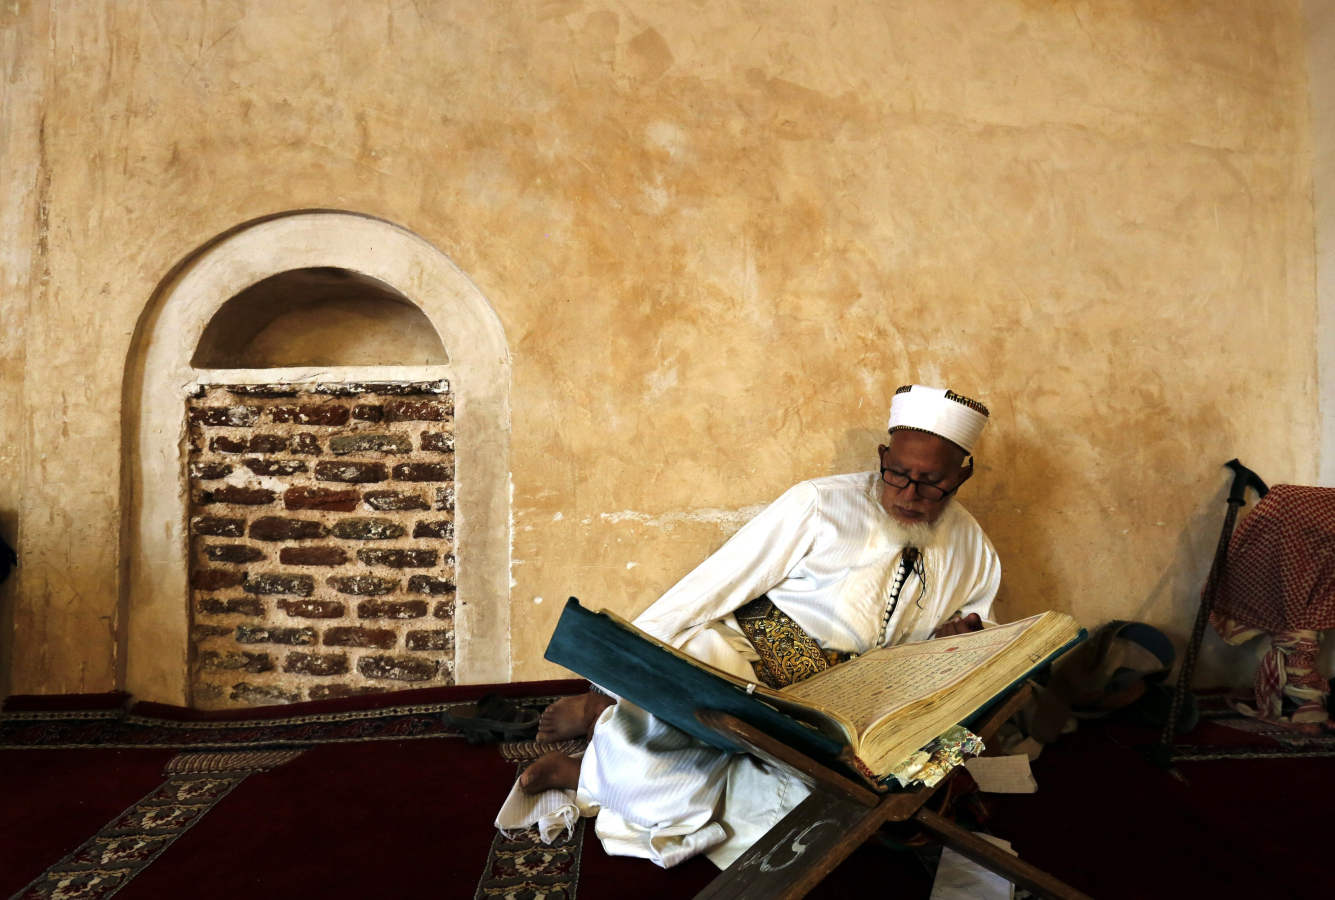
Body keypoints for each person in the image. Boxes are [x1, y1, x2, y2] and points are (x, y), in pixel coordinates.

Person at [511, 384, 1001, 869]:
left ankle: (610, 722)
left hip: (843, 706)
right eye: (897, 474)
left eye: (931, 482)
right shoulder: (820, 504)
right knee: (659, 770)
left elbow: (984, 629)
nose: (910, 494)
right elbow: (716, 583)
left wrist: (962, 639)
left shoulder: (973, 547)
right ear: (882, 456)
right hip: (750, 657)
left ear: (962, 475)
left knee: (815, 817)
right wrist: (620, 665)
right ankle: (593, 752)